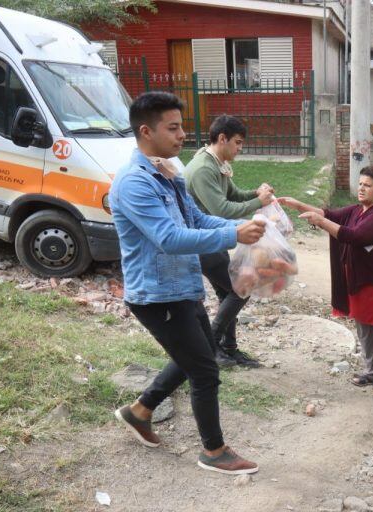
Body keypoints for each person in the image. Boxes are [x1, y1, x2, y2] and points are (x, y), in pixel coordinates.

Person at [110, 91, 265, 474]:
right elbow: (169, 237)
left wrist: (239, 226)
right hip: (156, 294)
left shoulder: (167, 171)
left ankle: (141, 410)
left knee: (199, 351)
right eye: (174, 127)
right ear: (146, 131)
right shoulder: (134, 182)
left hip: (181, 285)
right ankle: (213, 451)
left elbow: (194, 220)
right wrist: (233, 237)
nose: (183, 135)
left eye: (182, 126)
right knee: (204, 369)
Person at [279, 166, 373, 392]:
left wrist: (319, 222)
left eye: (367, 185)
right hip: (362, 281)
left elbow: (354, 236)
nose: (361, 188)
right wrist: (298, 205)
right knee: (366, 328)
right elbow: (329, 214)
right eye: (360, 184)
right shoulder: (357, 210)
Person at [184, 115, 274, 368]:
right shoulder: (203, 168)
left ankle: (228, 348)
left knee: (228, 293)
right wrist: (259, 203)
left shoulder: (216, 163)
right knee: (240, 289)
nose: (240, 148)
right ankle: (211, 344)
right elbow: (221, 208)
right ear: (222, 138)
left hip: (216, 239)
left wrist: (257, 193)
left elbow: (233, 195)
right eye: (237, 142)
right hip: (203, 241)